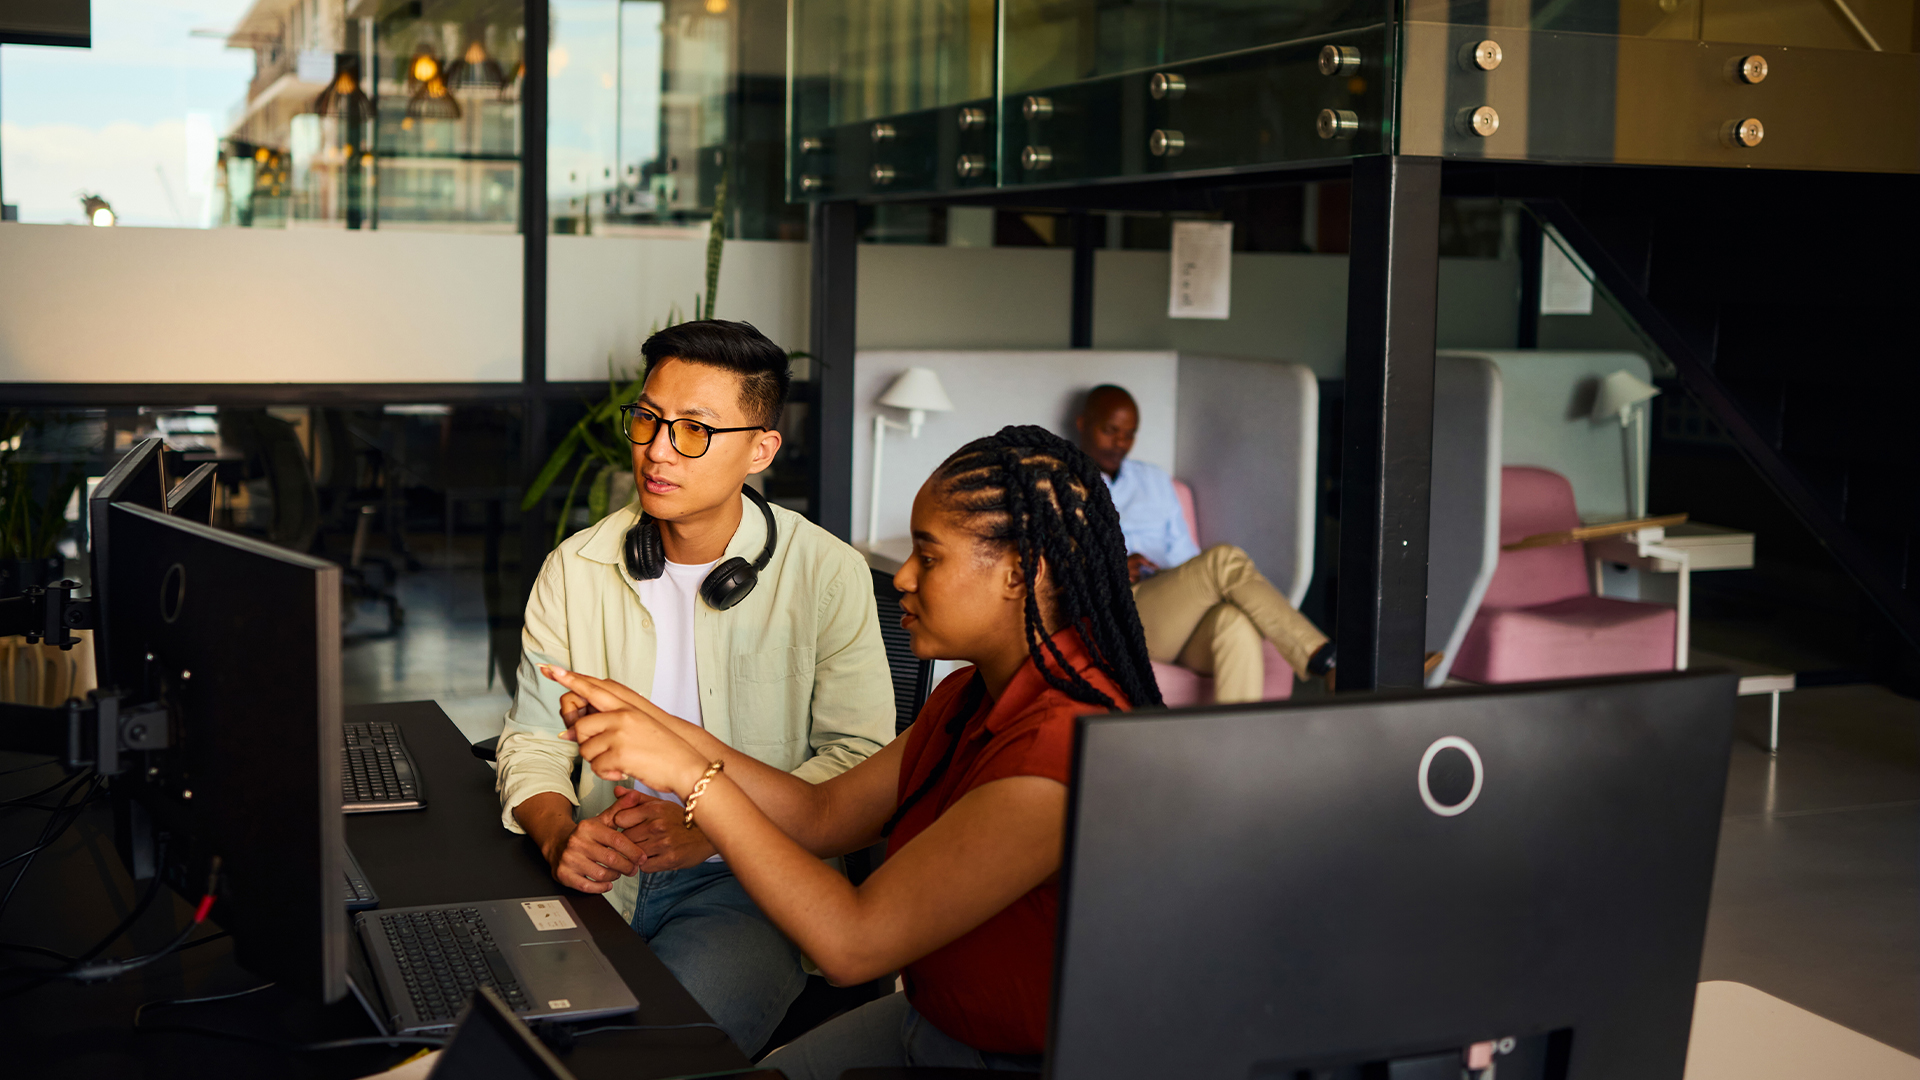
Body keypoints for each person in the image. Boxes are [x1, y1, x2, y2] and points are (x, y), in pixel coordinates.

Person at [539, 426, 1160, 1078]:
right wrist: (662, 727)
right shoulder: (971, 694)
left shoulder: (1055, 753)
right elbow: (823, 812)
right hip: (927, 1021)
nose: (906, 579)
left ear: (1018, 573)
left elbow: (853, 944)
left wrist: (694, 776)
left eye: (930, 556)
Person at [492, 319, 895, 1057]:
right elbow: (532, 738)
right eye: (648, 419)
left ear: (761, 449)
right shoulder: (575, 567)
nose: (656, 450)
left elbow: (859, 763)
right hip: (597, 869)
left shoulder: (827, 574)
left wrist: (711, 825)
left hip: (744, 885)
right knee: (504, 1042)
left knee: (646, 1059)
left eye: (694, 430)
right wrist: (558, 837)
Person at [1075, 384, 1335, 701]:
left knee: (1234, 624)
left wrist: (1181, 580)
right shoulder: (1060, 485)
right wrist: (1109, 568)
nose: (1120, 443)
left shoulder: (1154, 480)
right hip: (1122, 610)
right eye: (1110, 430)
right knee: (1223, 560)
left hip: (1172, 604)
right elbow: (1053, 568)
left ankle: (1235, 747)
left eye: (1129, 434)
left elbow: (1186, 555)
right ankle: (1325, 659)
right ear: (1082, 423)